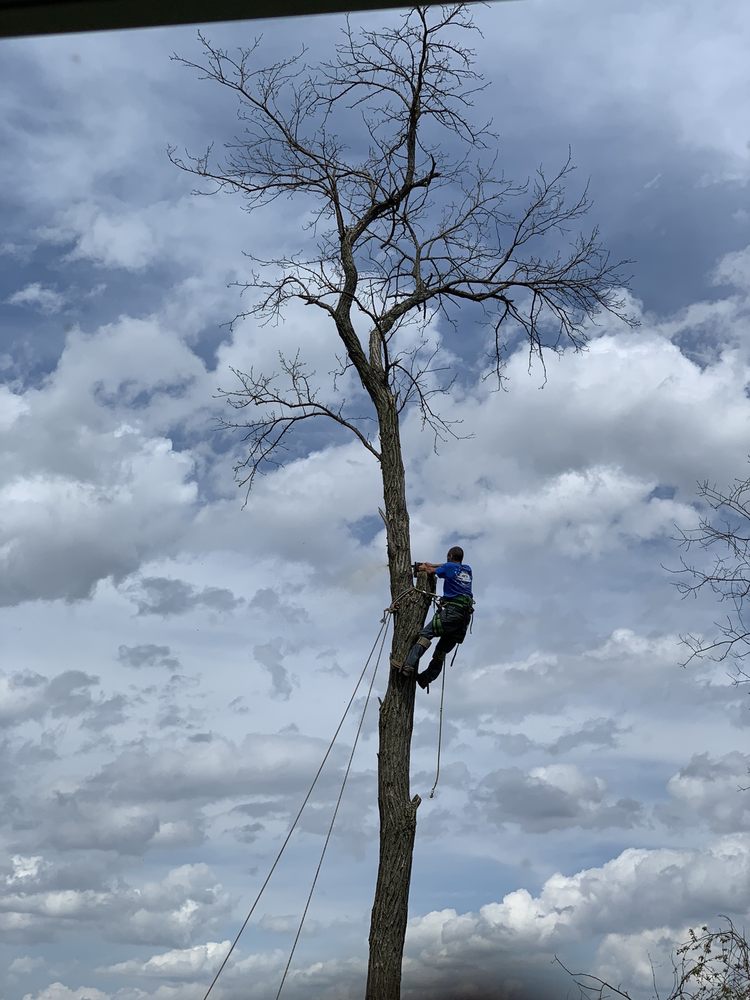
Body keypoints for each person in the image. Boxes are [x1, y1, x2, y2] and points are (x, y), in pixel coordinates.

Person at [401, 545, 473, 690]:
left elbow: (430, 571)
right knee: (441, 652)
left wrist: (423, 567)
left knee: (425, 635)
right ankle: (425, 679)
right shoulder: (467, 569)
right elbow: (446, 565)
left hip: (452, 613)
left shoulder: (448, 567)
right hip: (464, 619)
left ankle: (408, 666)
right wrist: (432, 563)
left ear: (450, 556)